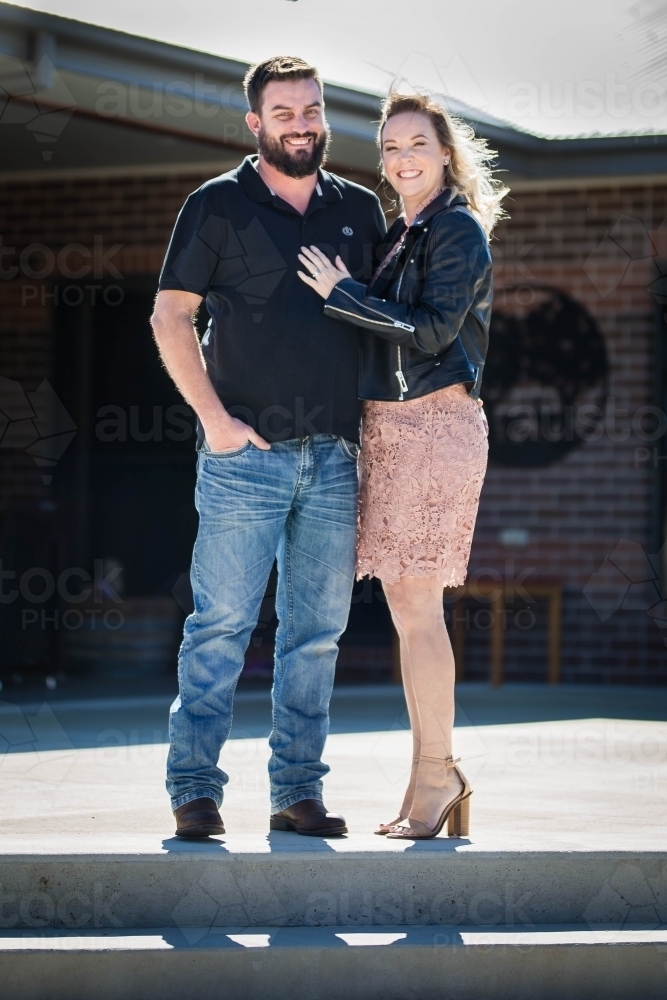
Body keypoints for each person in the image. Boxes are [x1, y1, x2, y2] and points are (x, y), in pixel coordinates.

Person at [151, 56, 386, 838]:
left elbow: (386, 321)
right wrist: (216, 422)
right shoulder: (216, 204)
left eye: (311, 110)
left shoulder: (358, 209)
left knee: (314, 635)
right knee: (220, 626)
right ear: (255, 123)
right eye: (284, 112)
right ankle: (194, 790)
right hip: (243, 459)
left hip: (336, 458)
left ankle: (296, 791)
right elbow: (170, 317)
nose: (301, 124)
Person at [298, 92, 508, 840]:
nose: (403, 158)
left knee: (419, 610)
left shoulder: (457, 229)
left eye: (417, 143)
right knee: (408, 610)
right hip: (389, 431)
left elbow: (430, 333)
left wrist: (342, 294)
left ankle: (438, 772)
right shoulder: (402, 233)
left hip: (434, 426)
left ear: (445, 153)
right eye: (391, 147)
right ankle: (431, 774)